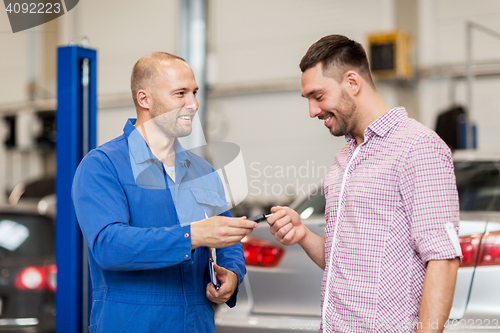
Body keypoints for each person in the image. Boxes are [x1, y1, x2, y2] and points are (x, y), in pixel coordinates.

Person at [267, 35, 461, 333]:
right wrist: (302, 234)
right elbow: (343, 263)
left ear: (352, 82)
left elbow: (443, 259)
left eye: (318, 96)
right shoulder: (345, 157)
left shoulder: (418, 146)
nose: (312, 111)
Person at [72, 52, 257, 333]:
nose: (193, 104)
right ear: (144, 99)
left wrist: (232, 273)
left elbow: (226, 237)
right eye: (180, 93)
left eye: (194, 92)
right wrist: (192, 236)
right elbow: (108, 246)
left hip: (197, 322)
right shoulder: (103, 166)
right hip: (131, 322)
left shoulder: (202, 171)